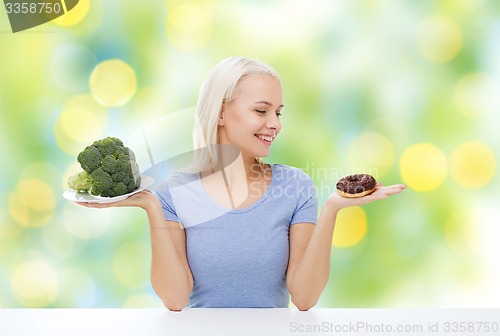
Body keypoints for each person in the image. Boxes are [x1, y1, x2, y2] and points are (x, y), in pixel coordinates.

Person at [78, 56, 406, 311]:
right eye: (261, 111)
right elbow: (175, 300)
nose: (275, 124)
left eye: (278, 112)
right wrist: (151, 207)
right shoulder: (173, 192)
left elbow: (304, 299)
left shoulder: (295, 187)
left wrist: (334, 208)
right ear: (221, 113)